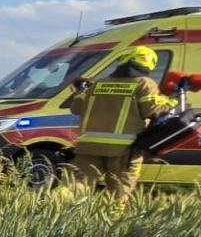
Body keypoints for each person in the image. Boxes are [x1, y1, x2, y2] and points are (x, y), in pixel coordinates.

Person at [62, 46, 175, 204]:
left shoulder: (98, 84)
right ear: (149, 64)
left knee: (77, 185)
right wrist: (172, 101)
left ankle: (51, 206)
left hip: (89, 146)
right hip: (124, 149)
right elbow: (154, 112)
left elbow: (76, 108)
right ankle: (112, 222)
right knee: (118, 192)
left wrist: (81, 90)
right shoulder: (144, 83)